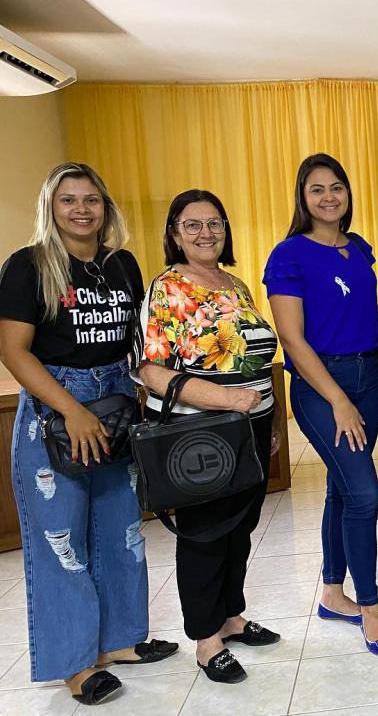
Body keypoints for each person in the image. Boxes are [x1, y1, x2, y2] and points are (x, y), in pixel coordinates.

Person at [0, 163, 177, 706]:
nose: (82, 209)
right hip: (57, 410)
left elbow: (136, 342)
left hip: (117, 400)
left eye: (91, 200)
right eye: (68, 200)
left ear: (106, 208)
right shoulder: (28, 266)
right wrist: (73, 411)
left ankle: (119, 640)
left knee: (121, 531)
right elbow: (13, 351)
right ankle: (76, 663)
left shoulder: (121, 264)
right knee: (62, 543)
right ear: (50, 208)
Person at [264, 153, 378, 656]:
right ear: (303, 198)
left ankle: (332, 592)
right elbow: (292, 338)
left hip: (368, 376)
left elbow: (370, 310)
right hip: (320, 385)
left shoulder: (358, 247)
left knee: (342, 488)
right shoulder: (288, 255)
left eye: (337, 187)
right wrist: (338, 400)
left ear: (348, 194)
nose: (329, 197)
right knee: (364, 493)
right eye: (317, 189)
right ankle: (369, 606)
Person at [134, 189, 281, 683]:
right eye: (192, 224)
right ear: (175, 234)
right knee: (206, 532)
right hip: (201, 431)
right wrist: (229, 401)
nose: (205, 233)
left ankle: (230, 616)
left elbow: (251, 359)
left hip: (250, 424)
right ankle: (205, 638)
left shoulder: (234, 284)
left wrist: (266, 421)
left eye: (215, 223)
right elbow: (151, 370)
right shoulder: (168, 288)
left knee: (241, 525)